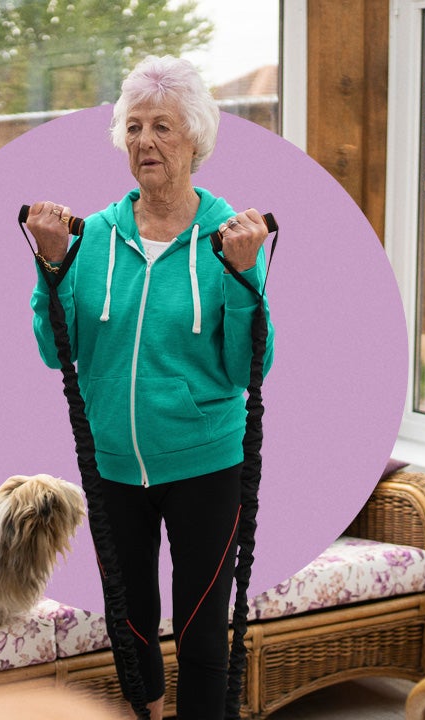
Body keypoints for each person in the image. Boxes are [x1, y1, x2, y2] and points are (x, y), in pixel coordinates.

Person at [26, 55, 274, 720]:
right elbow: (57, 351)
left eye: (162, 126)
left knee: (200, 631)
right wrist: (51, 266)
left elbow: (245, 368)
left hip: (206, 463)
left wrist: (247, 278)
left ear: (195, 138)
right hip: (113, 465)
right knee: (131, 621)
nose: (145, 141)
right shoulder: (95, 239)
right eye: (134, 127)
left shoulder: (229, 239)